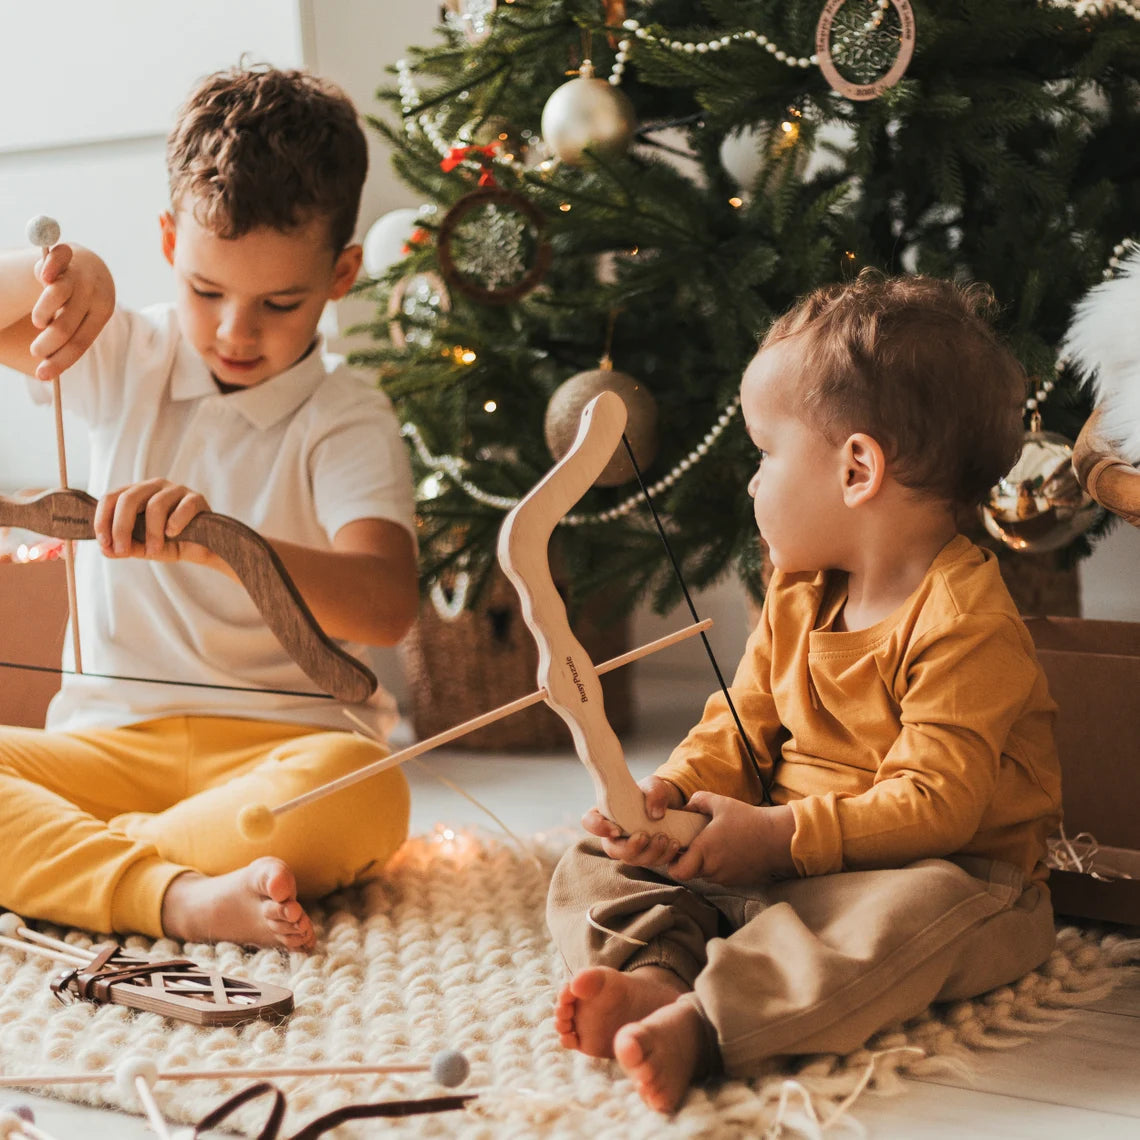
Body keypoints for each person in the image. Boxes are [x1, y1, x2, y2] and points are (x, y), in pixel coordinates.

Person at [547, 271, 1063, 1112]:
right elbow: (741, 723)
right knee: (592, 862)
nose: (753, 483)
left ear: (858, 468)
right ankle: (653, 974)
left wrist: (779, 839)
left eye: (764, 454)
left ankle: (710, 1025)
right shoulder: (797, 587)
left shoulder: (966, 619)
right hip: (775, 856)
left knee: (913, 916)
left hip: (934, 869)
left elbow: (940, 803)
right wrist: (673, 794)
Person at [0, 66, 419, 953]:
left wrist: (222, 546)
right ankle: (176, 895)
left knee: (367, 786)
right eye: (206, 291)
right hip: (105, 752)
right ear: (167, 242)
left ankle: (70, 869)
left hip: (283, 756)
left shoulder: (346, 416)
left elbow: (386, 604)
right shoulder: (121, 352)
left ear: (341, 275)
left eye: (280, 303)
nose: (235, 332)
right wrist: (74, 278)